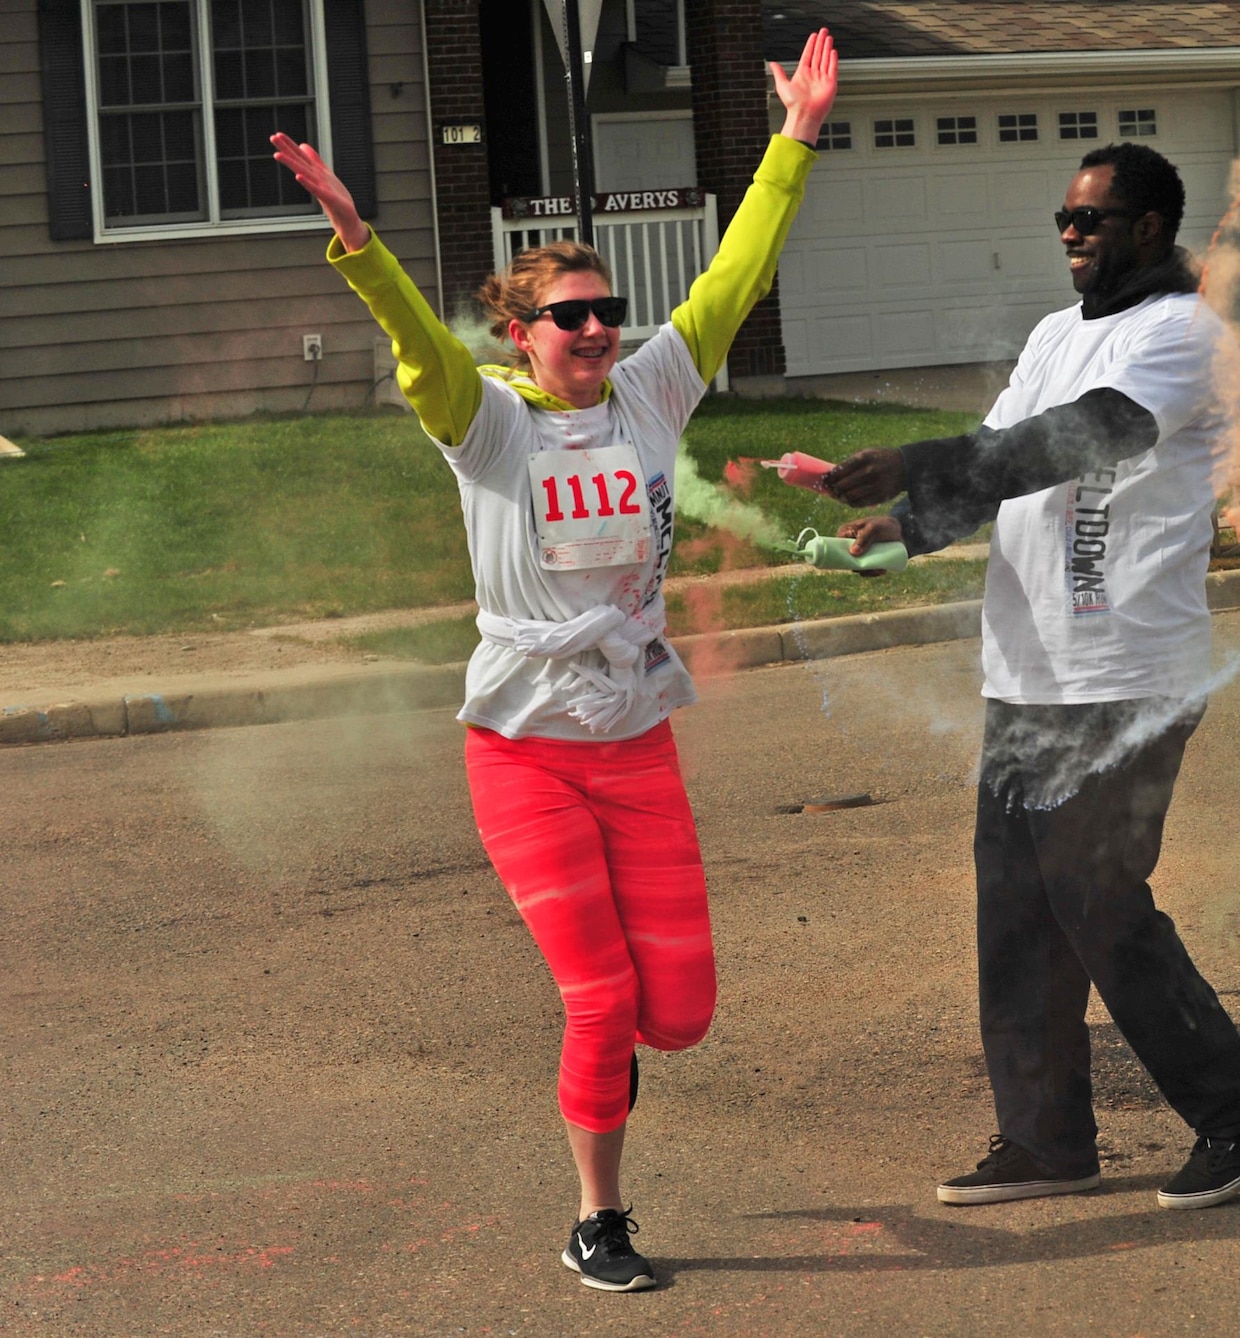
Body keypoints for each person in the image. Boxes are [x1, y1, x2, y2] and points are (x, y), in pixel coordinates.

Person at [269, 29, 838, 1293]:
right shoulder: (484, 426)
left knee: (674, 1012)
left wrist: (792, 142)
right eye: (565, 316)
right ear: (519, 333)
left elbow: (735, 279)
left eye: (604, 311)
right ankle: (599, 1216)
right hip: (522, 752)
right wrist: (359, 246)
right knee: (597, 997)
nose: (593, 327)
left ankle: (614, 1047)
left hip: (633, 737)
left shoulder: (651, 393)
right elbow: (419, 347)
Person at [824, 142, 1240, 1212]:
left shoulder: (1182, 335)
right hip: (1028, 667)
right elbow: (1005, 457)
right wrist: (902, 526)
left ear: (1147, 228)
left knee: (1096, 899)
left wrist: (918, 460)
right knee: (1017, 907)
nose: (1070, 234)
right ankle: (1044, 1140)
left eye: (1091, 218)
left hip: (1126, 670)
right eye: (1062, 218)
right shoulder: (1051, 335)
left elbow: (1089, 438)